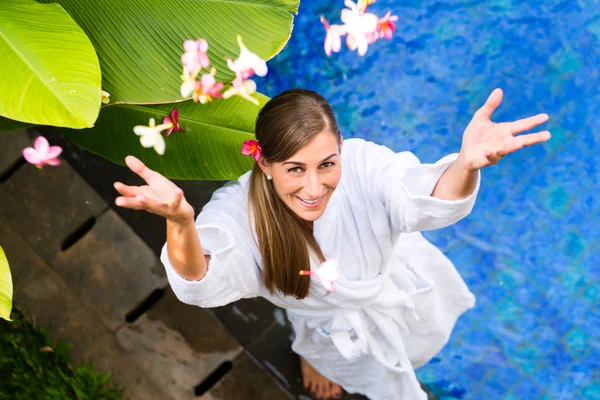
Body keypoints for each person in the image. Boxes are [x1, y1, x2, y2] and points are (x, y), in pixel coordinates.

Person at [114, 88, 550, 400]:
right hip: (323, 315)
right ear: (264, 163)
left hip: (384, 285)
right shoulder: (238, 211)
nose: (314, 186)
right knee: (317, 330)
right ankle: (314, 356)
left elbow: (417, 198)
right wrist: (181, 221)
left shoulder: (362, 164)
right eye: (294, 169)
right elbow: (200, 280)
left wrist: (466, 165)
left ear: (342, 147)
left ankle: (318, 354)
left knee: (416, 340)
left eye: (326, 164)